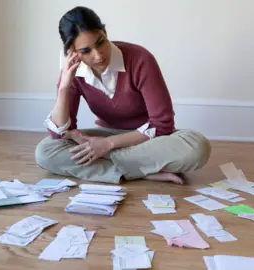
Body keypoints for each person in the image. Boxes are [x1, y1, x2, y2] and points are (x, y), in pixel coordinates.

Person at [35, 6, 211, 185]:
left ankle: (114, 167)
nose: (98, 55)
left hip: (147, 139)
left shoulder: (140, 58)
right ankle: (141, 171)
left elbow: (162, 124)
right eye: (86, 51)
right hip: (105, 134)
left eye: (100, 42)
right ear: (72, 52)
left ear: (105, 32)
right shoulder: (73, 71)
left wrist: (108, 145)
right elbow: (60, 133)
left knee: (196, 147)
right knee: (46, 151)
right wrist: (64, 86)